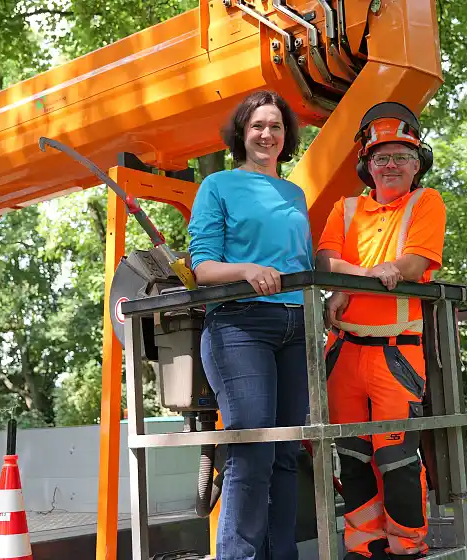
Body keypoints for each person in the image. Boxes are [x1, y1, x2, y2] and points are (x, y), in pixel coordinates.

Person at [316, 102, 446, 559]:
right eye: (382, 158)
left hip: (397, 352)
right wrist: (370, 274)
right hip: (344, 351)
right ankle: (363, 547)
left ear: (417, 165)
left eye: (402, 157)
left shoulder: (425, 202)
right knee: (351, 456)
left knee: (397, 460)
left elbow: (412, 264)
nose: (391, 166)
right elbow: (326, 261)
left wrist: (353, 280)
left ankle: (407, 547)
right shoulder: (345, 207)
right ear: (367, 165)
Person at [188, 90, 312, 560]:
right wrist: (245, 270)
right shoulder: (218, 185)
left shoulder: (295, 192)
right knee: (254, 449)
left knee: (286, 454)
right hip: (241, 325)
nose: (267, 134)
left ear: (286, 136)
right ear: (242, 133)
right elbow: (202, 267)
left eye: (276, 126)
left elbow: (299, 260)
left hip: (297, 325)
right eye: (258, 125)